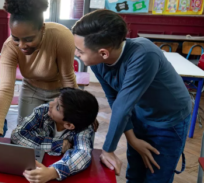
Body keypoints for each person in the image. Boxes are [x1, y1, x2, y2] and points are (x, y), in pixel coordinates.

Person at [72, 9, 191, 182]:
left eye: (80, 50)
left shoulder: (144, 54)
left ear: (103, 52)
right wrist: (133, 139)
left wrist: (108, 149)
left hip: (169, 121)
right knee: (134, 173)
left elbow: (123, 106)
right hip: (139, 114)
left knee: (157, 175)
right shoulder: (98, 62)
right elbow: (115, 100)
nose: (76, 53)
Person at [0, 0, 78, 142]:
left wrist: (78, 111)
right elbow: (6, 90)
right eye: (16, 38)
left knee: (58, 139)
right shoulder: (9, 47)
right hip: (31, 90)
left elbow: (68, 79)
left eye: (28, 39)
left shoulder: (61, 36)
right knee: (25, 137)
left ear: (41, 29)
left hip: (60, 93)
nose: (21, 45)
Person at [11, 88, 98, 183]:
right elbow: (17, 135)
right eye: (55, 99)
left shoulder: (84, 129)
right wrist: (56, 145)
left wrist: (52, 172)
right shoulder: (43, 111)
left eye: (57, 107)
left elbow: (83, 154)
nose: (50, 104)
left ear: (69, 125)